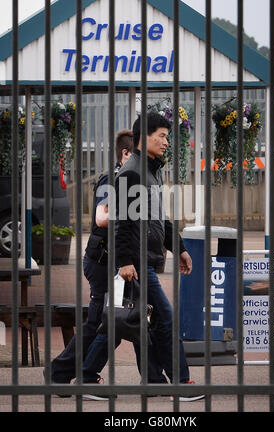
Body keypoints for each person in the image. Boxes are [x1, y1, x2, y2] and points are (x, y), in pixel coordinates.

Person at [50, 129, 165, 399]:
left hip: (116, 261)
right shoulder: (111, 180)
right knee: (106, 324)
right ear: (126, 154)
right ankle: (64, 372)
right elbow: (102, 218)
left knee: (132, 318)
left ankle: (150, 377)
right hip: (102, 262)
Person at [114, 112, 205, 402]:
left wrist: (179, 248)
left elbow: (161, 218)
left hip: (150, 258)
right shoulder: (131, 172)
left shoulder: (152, 171)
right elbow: (121, 222)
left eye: (167, 136)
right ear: (145, 137)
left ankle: (153, 379)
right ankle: (181, 380)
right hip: (137, 262)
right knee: (164, 317)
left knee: (146, 322)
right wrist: (125, 261)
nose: (167, 141)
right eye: (162, 136)